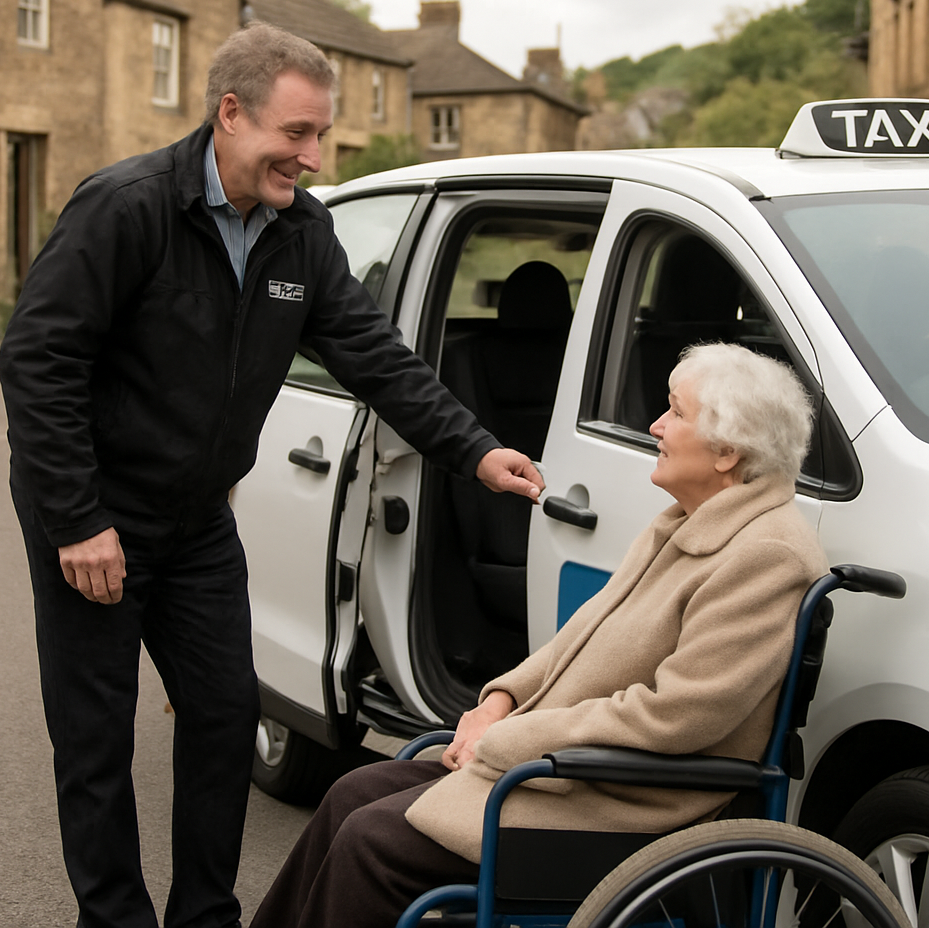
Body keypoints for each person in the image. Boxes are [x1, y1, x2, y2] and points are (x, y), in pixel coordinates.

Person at [0, 21, 543, 928]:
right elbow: (38, 362)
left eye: (320, 135)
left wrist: (474, 448)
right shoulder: (128, 208)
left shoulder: (300, 233)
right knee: (94, 743)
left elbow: (373, 353)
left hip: (199, 524)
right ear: (230, 114)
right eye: (298, 134)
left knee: (221, 720)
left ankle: (206, 917)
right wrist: (74, 519)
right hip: (98, 520)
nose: (314, 156)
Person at [249, 342, 829, 928]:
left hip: (627, 805)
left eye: (675, 412)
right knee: (349, 795)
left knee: (371, 843)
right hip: (563, 769)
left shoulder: (767, 556)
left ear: (727, 451)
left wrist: (513, 738)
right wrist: (498, 702)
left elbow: (676, 716)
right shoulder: (685, 522)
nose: (655, 424)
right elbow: (578, 640)